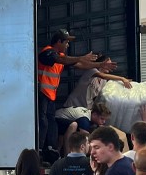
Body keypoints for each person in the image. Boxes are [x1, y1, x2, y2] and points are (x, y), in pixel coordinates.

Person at [37, 29, 113, 160]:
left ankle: (50, 149)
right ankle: (38, 150)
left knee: (50, 122)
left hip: (50, 96)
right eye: (66, 42)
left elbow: (80, 64)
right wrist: (80, 58)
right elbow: (63, 59)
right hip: (42, 93)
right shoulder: (47, 52)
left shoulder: (61, 57)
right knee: (43, 122)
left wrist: (99, 64)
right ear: (59, 41)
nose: (68, 45)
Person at [63, 55, 130, 109]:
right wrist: (122, 78)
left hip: (85, 109)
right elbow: (103, 76)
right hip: (73, 105)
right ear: (102, 64)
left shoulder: (103, 82)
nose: (110, 67)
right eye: (108, 65)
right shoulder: (92, 70)